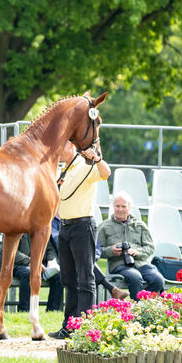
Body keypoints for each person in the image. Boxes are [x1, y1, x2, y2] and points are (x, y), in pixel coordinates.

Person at [50, 140, 111, 340]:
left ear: (70, 146)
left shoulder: (85, 164)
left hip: (82, 226)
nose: (57, 151)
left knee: (86, 278)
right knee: (68, 279)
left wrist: (96, 157)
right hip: (65, 227)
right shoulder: (63, 169)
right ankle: (69, 326)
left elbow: (106, 173)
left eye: (61, 147)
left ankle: (85, 327)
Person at [97, 191, 164, 300]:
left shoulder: (140, 225)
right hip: (118, 264)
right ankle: (135, 312)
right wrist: (111, 250)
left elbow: (150, 247)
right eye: (117, 206)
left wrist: (137, 252)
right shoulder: (104, 226)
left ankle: (141, 306)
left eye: (123, 206)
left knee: (158, 280)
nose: (120, 209)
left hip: (141, 263)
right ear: (113, 207)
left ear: (129, 208)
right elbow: (97, 251)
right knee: (135, 277)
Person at [50, 214, 128, 301]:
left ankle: (111, 290)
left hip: (82, 257)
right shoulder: (54, 222)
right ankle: (111, 288)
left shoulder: (81, 222)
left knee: (86, 263)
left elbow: (96, 246)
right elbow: (57, 241)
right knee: (85, 263)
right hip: (62, 258)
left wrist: (89, 256)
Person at [0, 233, 62, 312]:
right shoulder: (14, 226)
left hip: (39, 264)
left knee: (58, 275)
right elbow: (9, 250)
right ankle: (24, 310)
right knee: (28, 273)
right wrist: (31, 262)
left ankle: (53, 310)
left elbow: (50, 249)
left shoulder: (41, 227)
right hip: (15, 263)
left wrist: (51, 260)